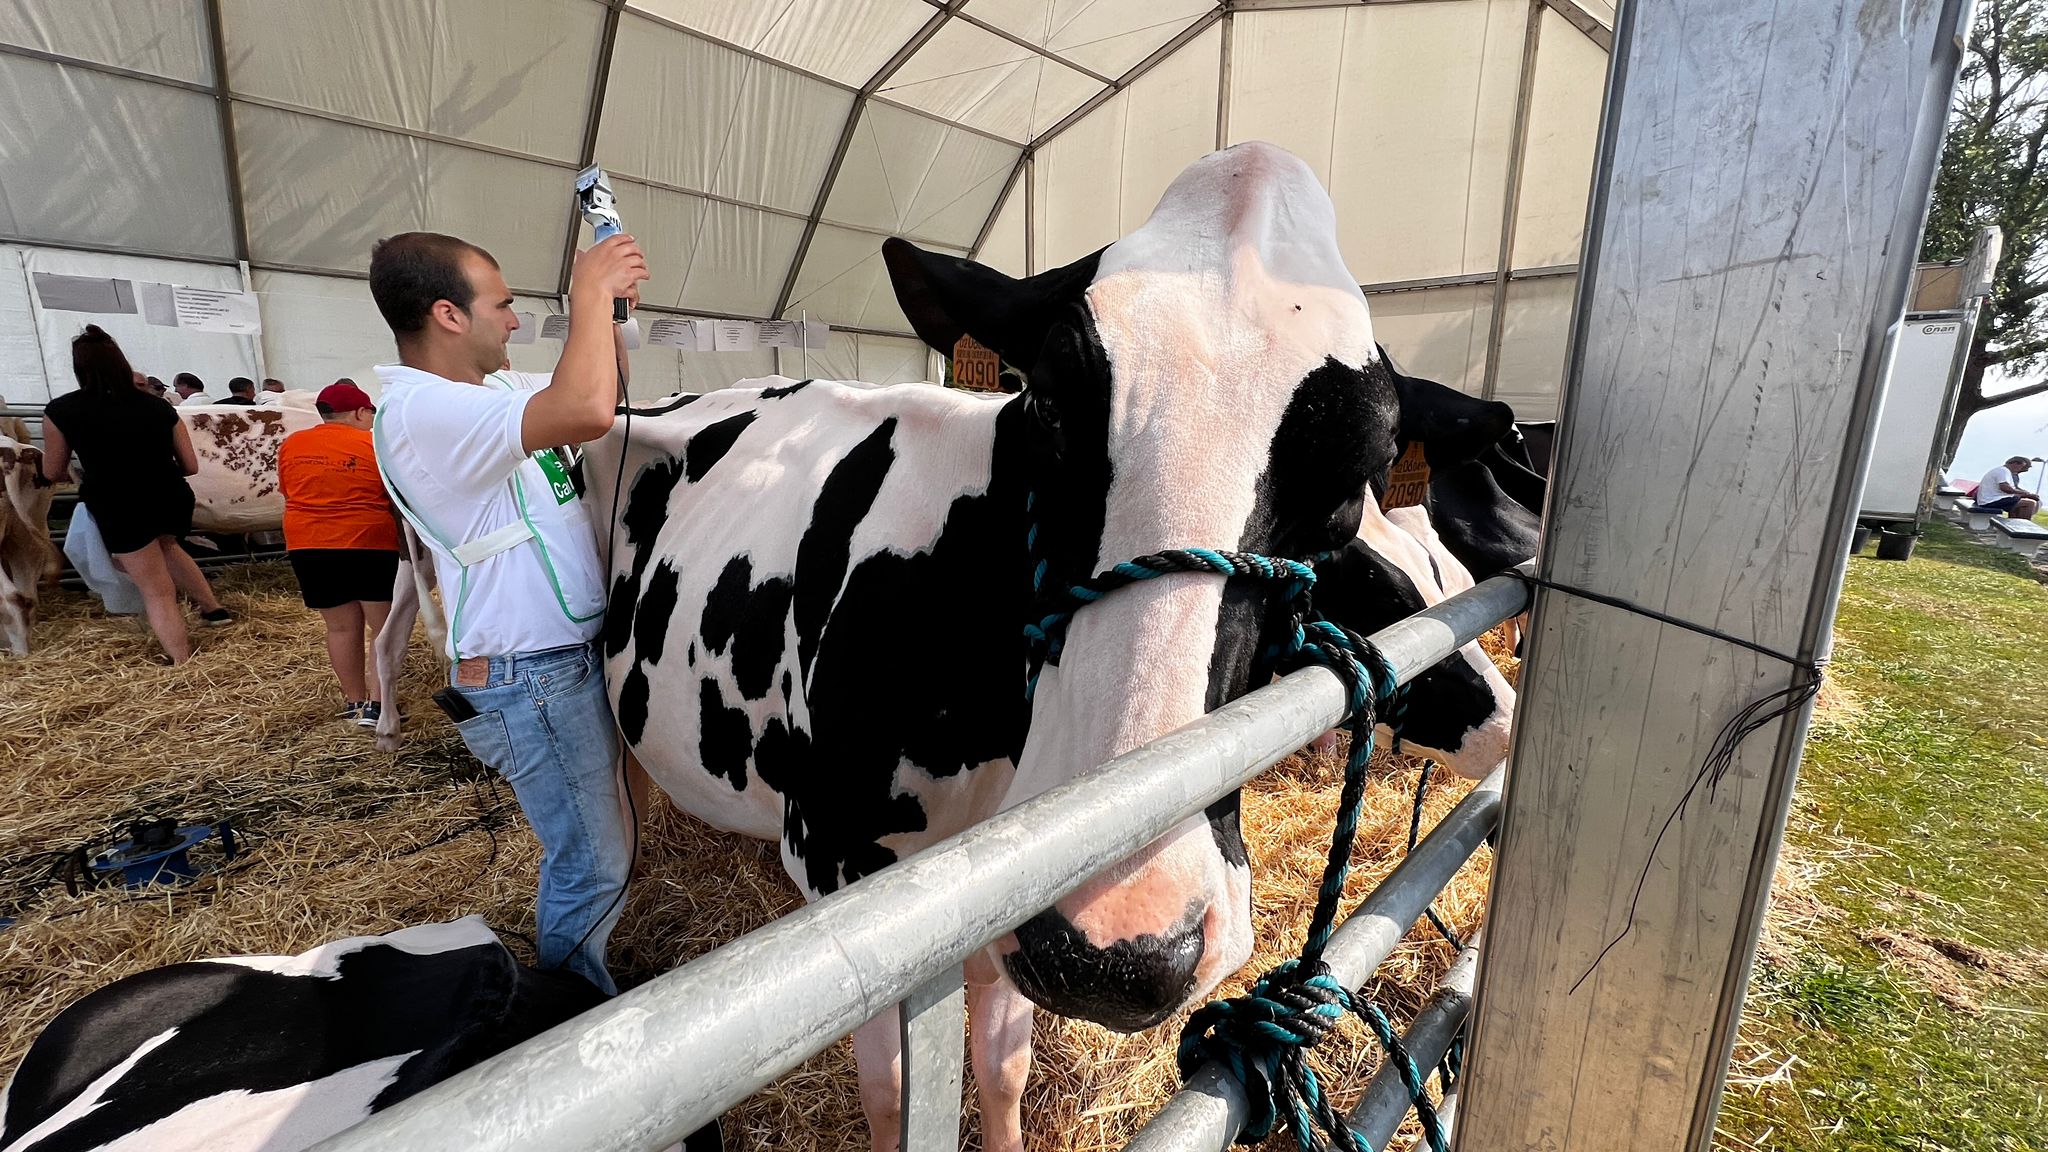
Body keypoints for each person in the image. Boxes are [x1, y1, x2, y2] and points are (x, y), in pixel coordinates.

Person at [368, 230, 647, 994]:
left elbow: (596, 386)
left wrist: (613, 312)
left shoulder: (486, 394)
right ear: (448, 315)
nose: (517, 321)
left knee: (605, 845)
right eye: (505, 305)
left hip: (562, 663)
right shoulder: (422, 414)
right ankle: (566, 1014)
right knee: (591, 864)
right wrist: (584, 291)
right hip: (533, 678)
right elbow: (588, 409)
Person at [42, 327, 231, 664]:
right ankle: (214, 609)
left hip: (118, 502)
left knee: (156, 590)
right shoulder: (159, 408)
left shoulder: (61, 411)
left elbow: (52, 471)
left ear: (78, 367)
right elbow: (189, 465)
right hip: (169, 494)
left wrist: (79, 472)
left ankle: (182, 661)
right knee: (169, 546)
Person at [279, 381, 401, 726]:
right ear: (362, 412)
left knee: (340, 629)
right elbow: (393, 494)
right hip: (367, 542)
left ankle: (354, 702)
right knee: (383, 628)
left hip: (308, 546)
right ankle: (380, 705)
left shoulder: (292, 444)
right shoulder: (374, 444)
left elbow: (288, 491)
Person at [1976, 456, 2041, 519]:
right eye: (2022, 467)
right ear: (2015, 464)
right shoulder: (2003, 471)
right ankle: (2023, 526)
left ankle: (2014, 523)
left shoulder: (2002, 470)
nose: (2022, 469)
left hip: (1988, 500)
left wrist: (2024, 493)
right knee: (2030, 503)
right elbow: (2005, 488)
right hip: (1990, 501)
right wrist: (2025, 493)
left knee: (2016, 502)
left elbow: (2009, 488)